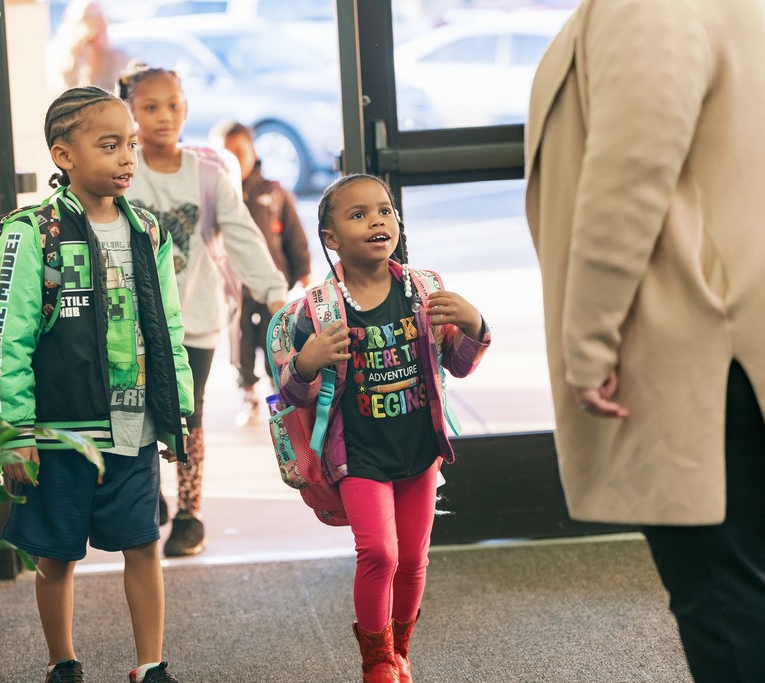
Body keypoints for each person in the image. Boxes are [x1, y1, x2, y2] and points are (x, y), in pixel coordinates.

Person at [525, 1, 765, 680]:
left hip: (694, 338)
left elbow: (628, 180)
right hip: (730, 327)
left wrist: (588, 343)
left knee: (721, 596)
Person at [0, 85, 194, 683]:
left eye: (130, 144)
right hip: (59, 433)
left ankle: (150, 664)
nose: (127, 157)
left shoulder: (148, 231)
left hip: (134, 426)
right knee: (55, 555)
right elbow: (10, 338)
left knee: (143, 544)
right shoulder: (33, 235)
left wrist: (176, 409)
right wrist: (15, 430)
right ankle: (63, 662)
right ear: (64, 155)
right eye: (109, 145)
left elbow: (167, 326)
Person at [280, 174, 490, 682]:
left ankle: (399, 651)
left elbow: (458, 364)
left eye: (385, 210)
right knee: (379, 552)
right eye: (358, 214)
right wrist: (306, 362)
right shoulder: (318, 310)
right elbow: (293, 395)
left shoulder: (424, 289)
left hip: (419, 448)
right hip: (357, 454)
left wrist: (475, 324)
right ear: (331, 238)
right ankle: (376, 661)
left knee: (413, 558)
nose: (377, 220)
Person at [118, 65, 289, 557]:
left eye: (173, 105)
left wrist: (274, 294)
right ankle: (149, 494)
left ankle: (190, 513)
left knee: (187, 413)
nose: (164, 116)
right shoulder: (124, 173)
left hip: (195, 319)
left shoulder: (209, 175)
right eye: (151, 107)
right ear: (130, 111)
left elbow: (242, 237)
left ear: (186, 109)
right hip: (132, 324)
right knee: (137, 409)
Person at [212, 120, 312, 425]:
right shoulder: (218, 196)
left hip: (273, 286)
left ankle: (279, 391)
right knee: (240, 344)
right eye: (225, 154)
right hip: (236, 289)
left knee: (276, 340)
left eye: (239, 152)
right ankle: (248, 394)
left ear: (253, 151)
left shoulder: (274, 193)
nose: (233, 160)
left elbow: (295, 237)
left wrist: (304, 272)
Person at [48, 1, 130, 93]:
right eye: (92, 16)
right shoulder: (65, 60)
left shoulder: (118, 59)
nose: (98, 21)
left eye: (100, 17)